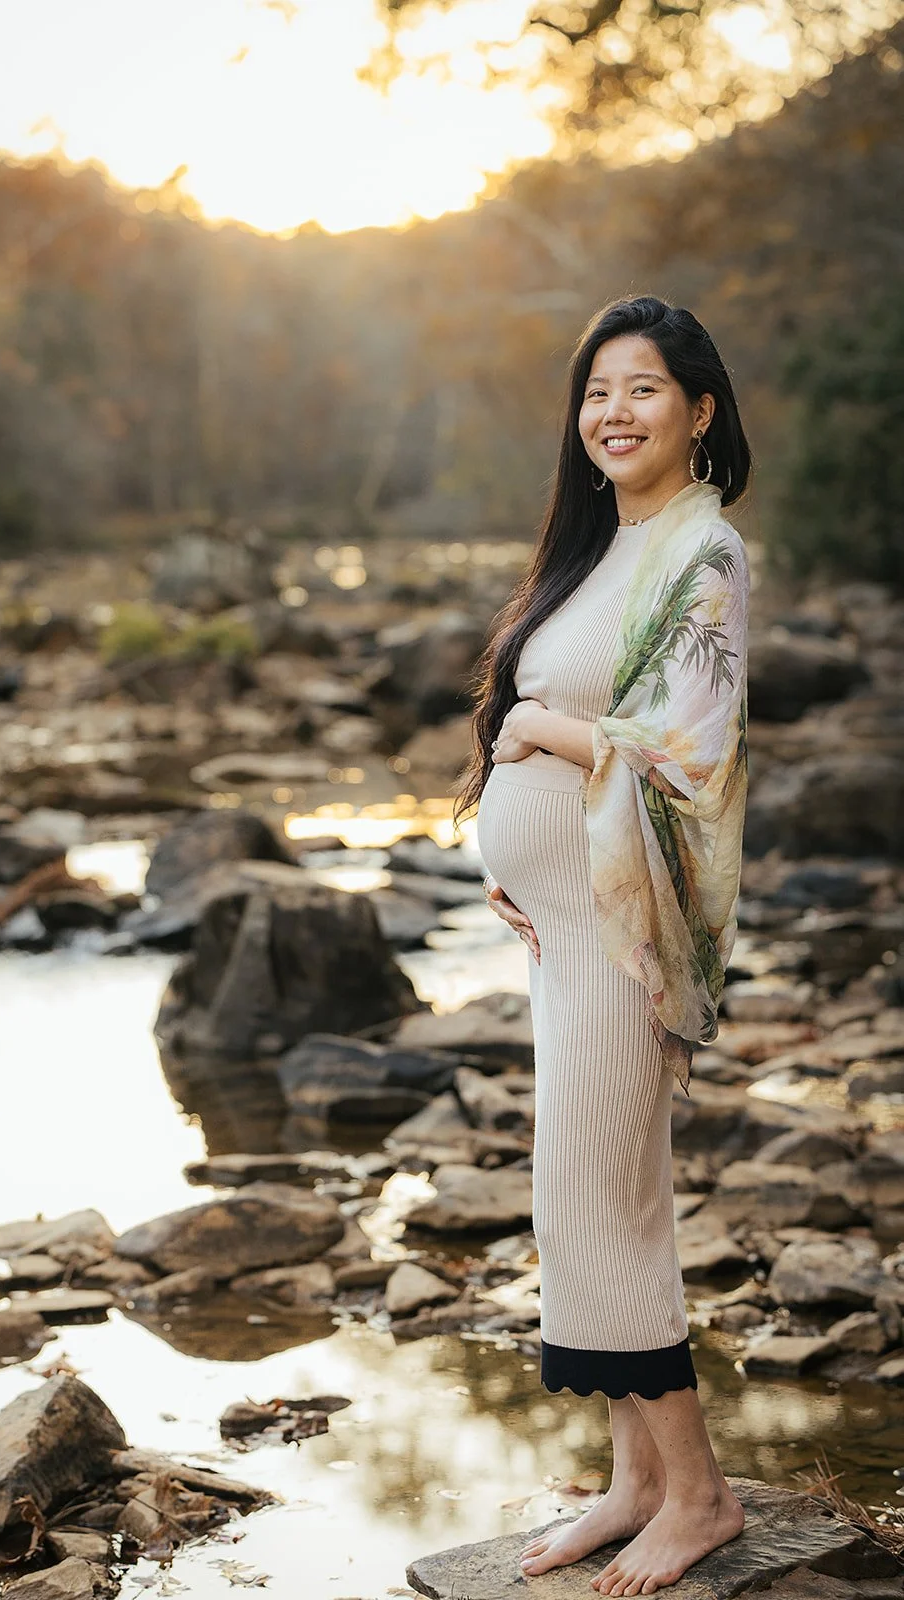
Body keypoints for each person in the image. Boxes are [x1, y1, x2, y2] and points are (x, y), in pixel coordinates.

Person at [454, 294, 752, 1595]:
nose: (612, 412)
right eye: (594, 392)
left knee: (600, 1210)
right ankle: (634, 1480)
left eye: (641, 389)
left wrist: (535, 734)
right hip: (565, 931)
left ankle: (697, 1496)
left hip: (627, 939)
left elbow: (690, 760)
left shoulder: (703, 554)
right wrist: (516, 867)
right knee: (578, 1203)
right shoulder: (596, 551)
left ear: (697, 411)